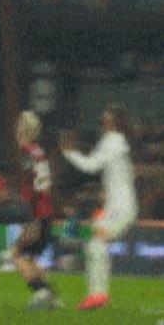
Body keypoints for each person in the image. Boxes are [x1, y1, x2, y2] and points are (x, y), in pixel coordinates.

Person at [60, 104, 138, 310]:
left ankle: (98, 295)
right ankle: (99, 295)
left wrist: (69, 153)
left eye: (107, 116)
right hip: (117, 206)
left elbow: (91, 165)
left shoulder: (113, 141)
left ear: (114, 121)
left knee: (96, 245)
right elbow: (121, 174)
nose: (103, 118)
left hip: (121, 208)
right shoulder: (116, 141)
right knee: (95, 245)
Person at [12, 110, 62, 310]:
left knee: (17, 255)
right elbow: (45, 185)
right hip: (46, 212)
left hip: (37, 213)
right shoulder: (39, 152)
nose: (17, 131)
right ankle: (53, 297)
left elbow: (35, 187)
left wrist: (33, 216)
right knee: (31, 259)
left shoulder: (26, 153)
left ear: (24, 130)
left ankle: (41, 292)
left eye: (19, 127)